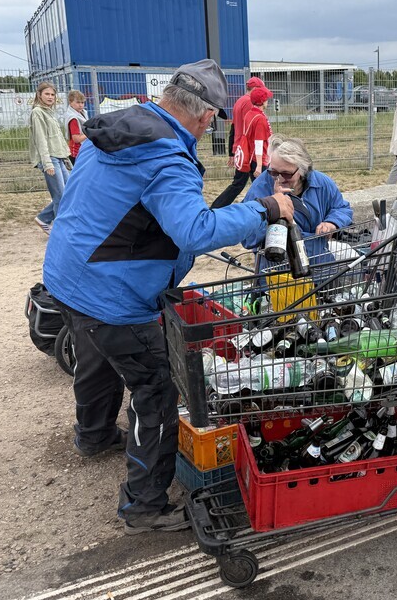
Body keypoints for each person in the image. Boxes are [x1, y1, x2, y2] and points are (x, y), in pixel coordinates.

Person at [42, 59, 293, 535]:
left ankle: (94, 435)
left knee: (96, 359)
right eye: (211, 121)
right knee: (157, 388)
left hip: (68, 274)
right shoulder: (166, 158)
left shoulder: (118, 128)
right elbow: (195, 230)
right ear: (205, 116)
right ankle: (144, 507)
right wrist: (265, 209)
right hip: (112, 293)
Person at [243, 135, 353, 265]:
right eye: (274, 172)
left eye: (286, 174)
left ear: (302, 169)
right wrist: (273, 210)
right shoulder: (260, 188)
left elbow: (341, 208)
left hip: (319, 259)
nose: (279, 178)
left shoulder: (322, 183)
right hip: (278, 265)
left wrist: (332, 222)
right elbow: (247, 236)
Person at [211, 86, 273, 208]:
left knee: (248, 186)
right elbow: (258, 142)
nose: (268, 101)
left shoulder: (250, 114)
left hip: (248, 156)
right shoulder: (260, 118)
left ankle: (224, 207)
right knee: (264, 188)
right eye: (266, 99)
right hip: (257, 158)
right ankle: (252, 209)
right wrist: (259, 164)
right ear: (262, 102)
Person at [31, 82, 71, 235]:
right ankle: (61, 233)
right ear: (39, 95)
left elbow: (57, 138)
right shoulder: (38, 113)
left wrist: (65, 157)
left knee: (68, 192)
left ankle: (44, 218)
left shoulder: (50, 112)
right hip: (50, 159)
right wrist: (47, 163)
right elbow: (41, 139)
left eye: (52, 94)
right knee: (60, 196)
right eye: (46, 94)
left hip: (59, 157)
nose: (50, 97)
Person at [229, 76, 266, 160]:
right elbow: (252, 128)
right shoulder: (250, 102)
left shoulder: (239, 101)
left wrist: (231, 151)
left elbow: (233, 128)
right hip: (247, 149)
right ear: (255, 89)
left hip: (239, 146)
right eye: (261, 90)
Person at [64, 90, 88, 164]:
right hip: (76, 152)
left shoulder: (83, 113)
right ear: (70, 102)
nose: (80, 105)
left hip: (83, 149)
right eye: (78, 102)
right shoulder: (73, 118)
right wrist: (90, 133)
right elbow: (76, 139)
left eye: (82, 102)